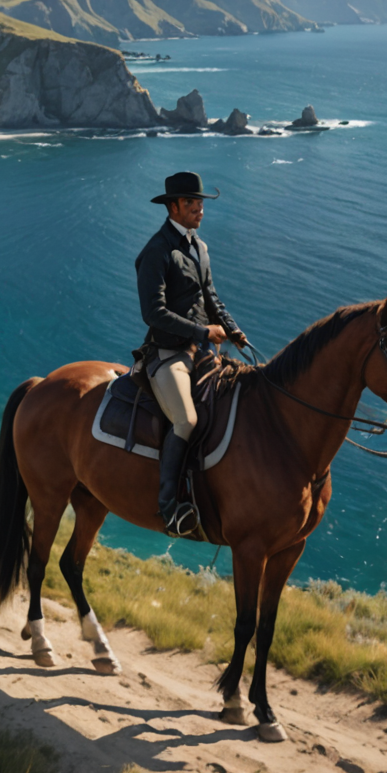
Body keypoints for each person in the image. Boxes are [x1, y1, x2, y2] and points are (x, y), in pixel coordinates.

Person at [134, 171, 248, 537]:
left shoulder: (200, 247)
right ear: (173, 207)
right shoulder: (156, 252)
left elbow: (211, 298)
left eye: (200, 203)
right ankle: (170, 508)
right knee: (186, 421)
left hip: (201, 351)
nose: (200, 208)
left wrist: (232, 328)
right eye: (191, 203)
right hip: (168, 354)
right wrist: (203, 332)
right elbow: (153, 313)